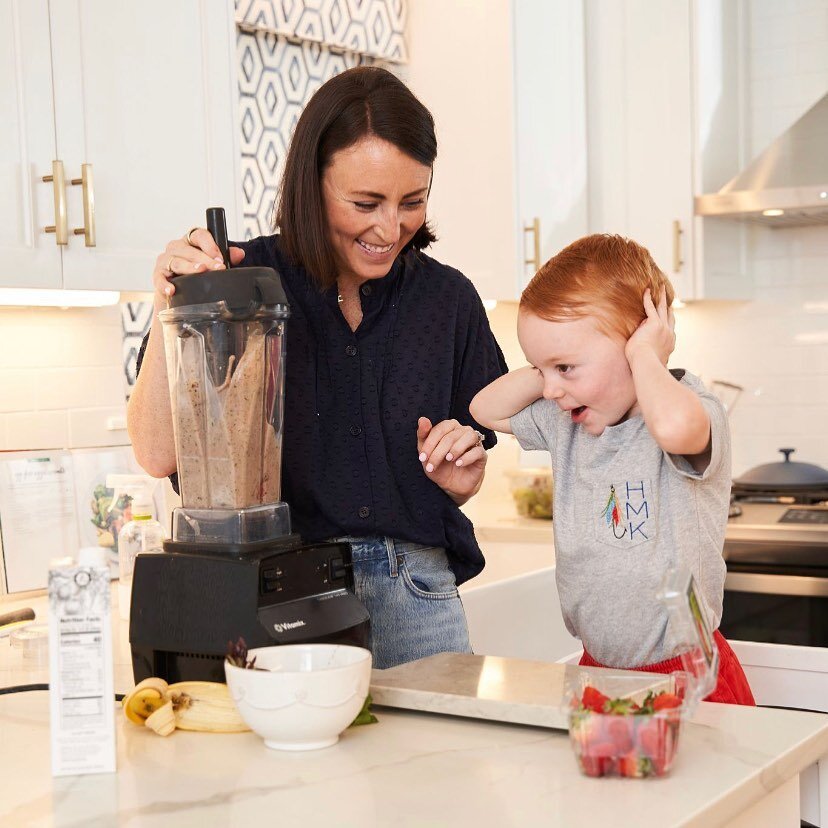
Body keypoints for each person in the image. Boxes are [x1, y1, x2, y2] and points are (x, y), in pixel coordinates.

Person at [127, 66, 507, 669]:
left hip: (418, 596)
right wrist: (169, 306)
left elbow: (469, 463)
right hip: (282, 596)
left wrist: (464, 474)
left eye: (412, 201)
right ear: (312, 183)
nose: (390, 228)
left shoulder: (449, 302)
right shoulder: (240, 286)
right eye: (365, 203)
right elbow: (157, 454)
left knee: (438, 764)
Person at [470, 234, 754, 704]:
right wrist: (547, 365)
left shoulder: (688, 410)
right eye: (543, 372)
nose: (551, 390)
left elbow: (675, 427)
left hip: (689, 676)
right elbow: (485, 408)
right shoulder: (567, 421)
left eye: (567, 367)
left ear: (638, 343)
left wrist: (645, 354)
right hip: (598, 673)